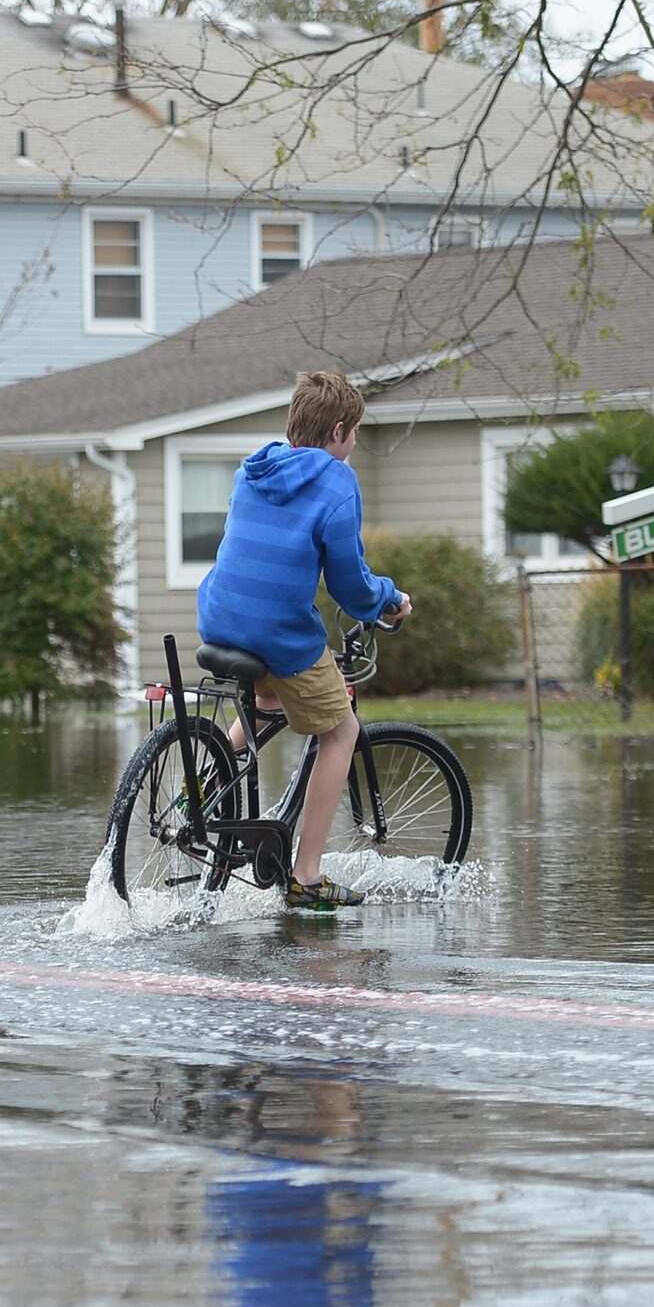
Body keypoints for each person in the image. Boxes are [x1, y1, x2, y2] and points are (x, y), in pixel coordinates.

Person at [194, 370, 412, 913]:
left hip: (220, 619)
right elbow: (350, 585)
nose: (355, 442)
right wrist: (390, 599)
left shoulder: (256, 467)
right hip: (277, 631)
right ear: (339, 430)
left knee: (269, 699)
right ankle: (307, 876)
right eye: (355, 432)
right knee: (341, 731)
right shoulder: (336, 483)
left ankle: (198, 790)